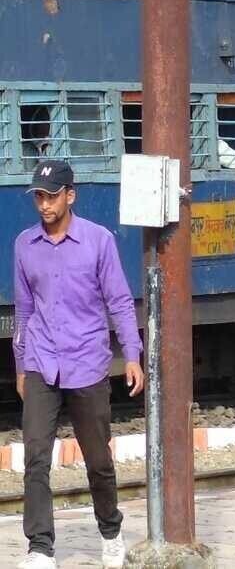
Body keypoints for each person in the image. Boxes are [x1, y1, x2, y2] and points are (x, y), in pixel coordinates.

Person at [12, 160, 144, 569]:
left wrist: (133, 355)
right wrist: (21, 365)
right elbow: (24, 308)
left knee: (97, 460)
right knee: (35, 454)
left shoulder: (98, 241)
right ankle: (40, 548)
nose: (43, 204)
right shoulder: (24, 244)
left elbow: (119, 302)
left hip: (87, 361)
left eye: (51, 195)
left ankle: (110, 531)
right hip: (41, 361)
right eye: (38, 196)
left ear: (70, 195)